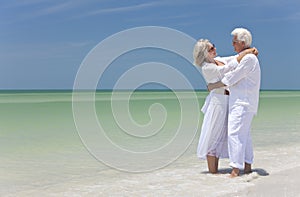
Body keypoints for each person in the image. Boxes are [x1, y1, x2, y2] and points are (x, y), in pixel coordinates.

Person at [193, 39, 258, 174]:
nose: (214, 50)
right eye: (211, 49)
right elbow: (229, 69)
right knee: (213, 135)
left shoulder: (220, 59)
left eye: (214, 46)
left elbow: (234, 58)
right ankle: (212, 174)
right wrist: (247, 52)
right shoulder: (207, 67)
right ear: (204, 53)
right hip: (218, 103)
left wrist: (247, 52)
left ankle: (242, 165)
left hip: (229, 100)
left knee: (231, 133)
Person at [207, 28, 261, 177]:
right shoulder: (245, 57)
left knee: (235, 133)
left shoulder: (249, 59)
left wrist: (213, 86)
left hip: (242, 103)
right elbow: (228, 62)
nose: (232, 45)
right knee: (244, 135)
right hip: (244, 102)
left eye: (234, 42)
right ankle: (248, 166)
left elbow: (233, 76)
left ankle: (236, 170)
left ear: (242, 43)